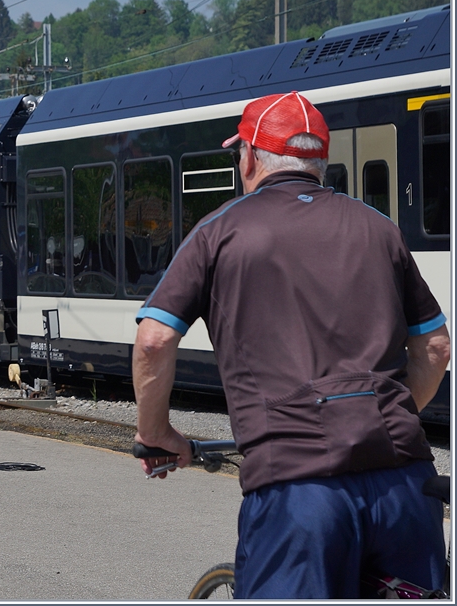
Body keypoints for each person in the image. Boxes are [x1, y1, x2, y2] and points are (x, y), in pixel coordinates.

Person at [132, 91, 451, 599]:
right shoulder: (381, 229)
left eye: (239, 154)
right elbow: (435, 348)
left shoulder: (220, 231)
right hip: (405, 485)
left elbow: (153, 341)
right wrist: (380, 415)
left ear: (252, 157)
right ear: (320, 162)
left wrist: (157, 435)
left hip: (299, 494)